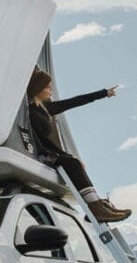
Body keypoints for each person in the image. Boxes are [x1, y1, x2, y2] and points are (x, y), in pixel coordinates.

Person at [26, 67, 131, 222]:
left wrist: (104, 93)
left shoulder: (47, 108)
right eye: (47, 86)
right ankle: (95, 208)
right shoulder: (32, 112)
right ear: (38, 88)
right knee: (73, 162)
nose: (51, 89)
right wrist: (65, 156)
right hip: (43, 153)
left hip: (49, 151)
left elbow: (76, 101)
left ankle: (97, 204)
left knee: (74, 162)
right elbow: (43, 142)